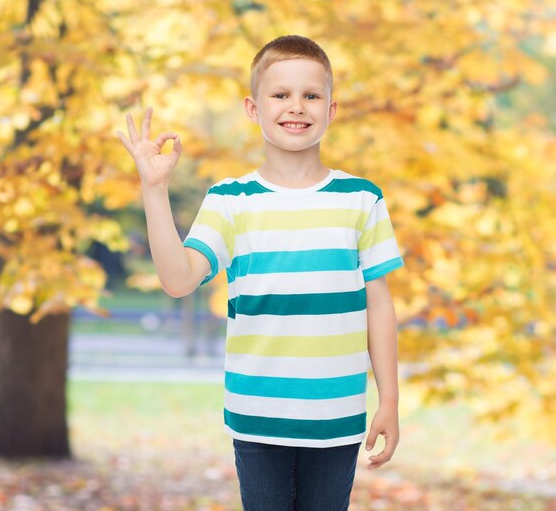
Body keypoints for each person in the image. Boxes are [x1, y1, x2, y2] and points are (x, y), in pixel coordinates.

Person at [117, 34, 405, 510]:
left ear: (331, 109)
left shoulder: (362, 199)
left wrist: (389, 401)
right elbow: (178, 279)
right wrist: (154, 189)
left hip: (336, 416)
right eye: (281, 95)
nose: (297, 106)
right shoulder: (229, 201)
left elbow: (380, 303)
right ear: (253, 108)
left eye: (312, 95)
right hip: (257, 415)